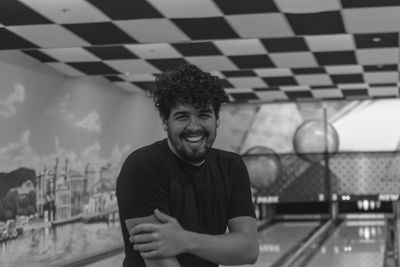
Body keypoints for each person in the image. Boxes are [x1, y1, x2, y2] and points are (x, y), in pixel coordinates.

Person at [116, 64, 259, 267]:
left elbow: (249, 250)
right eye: (182, 116)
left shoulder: (232, 166)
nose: (193, 127)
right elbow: (160, 262)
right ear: (165, 121)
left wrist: (184, 240)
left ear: (217, 119)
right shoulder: (143, 166)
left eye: (203, 115)